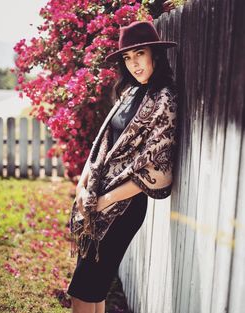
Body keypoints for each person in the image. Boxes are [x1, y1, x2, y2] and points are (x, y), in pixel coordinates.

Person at [67, 20, 178, 313]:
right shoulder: (128, 93)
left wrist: (106, 200)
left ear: (155, 54)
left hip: (124, 204)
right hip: (98, 199)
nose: (134, 64)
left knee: (84, 288)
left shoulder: (163, 99)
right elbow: (103, 143)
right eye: (127, 58)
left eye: (139, 54)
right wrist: (83, 185)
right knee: (92, 288)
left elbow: (156, 166)